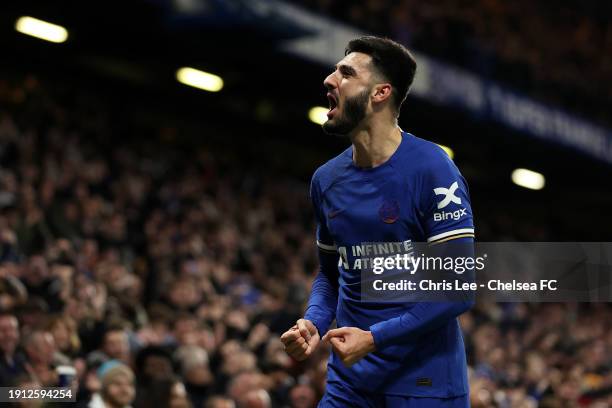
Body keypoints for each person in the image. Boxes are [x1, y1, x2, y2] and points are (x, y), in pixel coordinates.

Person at [280, 36, 475, 407]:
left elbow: (457, 287)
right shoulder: (327, 179)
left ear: (380, 93)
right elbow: (331, 274)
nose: (329, 79)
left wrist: (374, 338)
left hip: (424, 385)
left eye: (346, 73)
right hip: (349, 384)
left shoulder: (432, 169)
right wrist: (314, 323)